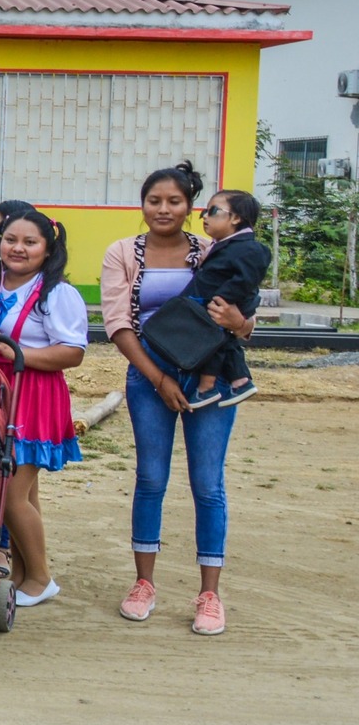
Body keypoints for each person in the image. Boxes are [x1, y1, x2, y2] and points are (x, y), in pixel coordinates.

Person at [102, 161, 255, 636]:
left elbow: (243, 313)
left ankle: (210, 594)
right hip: (149, 375)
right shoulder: (122, 252)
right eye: (154, 200)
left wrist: (241, 324)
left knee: (208, 484)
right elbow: (118, 325)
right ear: (142, 204)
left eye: (174, 201)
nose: (163, 209)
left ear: (191, 207)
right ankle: (143, 584)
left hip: (208, 375)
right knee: (151, 478)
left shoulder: (213, 248)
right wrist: (158, 379)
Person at [0, 206, 87, 605]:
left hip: (33, 397)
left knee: (7, 494)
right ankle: (23, 575)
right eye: (10, 239)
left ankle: (41, 578)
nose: (18, 248)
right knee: (24, 493)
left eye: (30, 242)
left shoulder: (56, 293)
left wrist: (15, 353)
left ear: (48, 249)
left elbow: (73, 352)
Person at [185, 190, 271, 409]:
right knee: (225, 341)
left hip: (223, 305)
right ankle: (240, 381)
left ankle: (207, 387)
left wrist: (223, 299)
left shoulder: (249, 248)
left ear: (236, 218)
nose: (205, 216)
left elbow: (247, 279)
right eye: (204, 212)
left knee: (215, 341)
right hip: (218, 304)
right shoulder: (222, 245)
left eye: (213, 211)